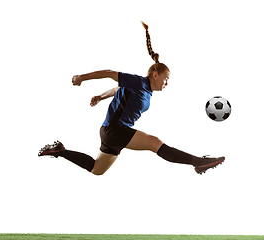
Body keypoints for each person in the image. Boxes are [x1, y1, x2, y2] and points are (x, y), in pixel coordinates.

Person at [38, 22, 225, 175]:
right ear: (154, 74)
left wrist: (101, 97)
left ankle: (60, 151)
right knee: (154, 143)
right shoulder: (139, 82)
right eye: (166, 79)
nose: (166, 83)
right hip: (115, 130)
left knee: (97, 169)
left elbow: (118, 89)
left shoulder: (145, 91)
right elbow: (110, 73)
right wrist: (81, 78)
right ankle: (198, 162)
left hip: (111, 132)